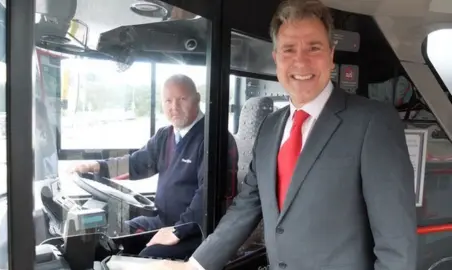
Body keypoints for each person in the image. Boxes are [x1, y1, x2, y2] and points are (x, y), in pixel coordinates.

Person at [148, 0, 417, 269]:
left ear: (331, 55)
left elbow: (396, 246)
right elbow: (246, 207)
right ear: (276, 58)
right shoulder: (269, 129)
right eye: (289, 49)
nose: (301, 61)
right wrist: (194, 266)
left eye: (314, 47)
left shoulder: (373, 122)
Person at [72, 74, 239, 260]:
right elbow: (136, 163)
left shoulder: (215, 139)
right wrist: (97, 167)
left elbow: (208, 197)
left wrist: (177, 231)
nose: (174, 107)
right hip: (162, 221)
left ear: (197, 99)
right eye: (168, 101)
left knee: (146, 259)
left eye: (182, 99)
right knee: (111, 237)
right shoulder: (164, 136)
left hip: (197, 231)